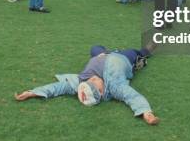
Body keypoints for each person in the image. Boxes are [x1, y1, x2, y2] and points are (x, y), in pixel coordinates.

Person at [14, 45, 159, 125]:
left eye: (90, 82)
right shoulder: (116, 87)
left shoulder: (81, 82)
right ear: (101, 93)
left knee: (95, 48)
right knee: (136, 52)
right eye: (95, 84)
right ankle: (145, 53)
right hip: (122, 58)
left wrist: (33, 92)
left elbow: (57, 87)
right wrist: (146, 113)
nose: (93, 79)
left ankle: (108, 51)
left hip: (102, 54)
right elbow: (132, 96)